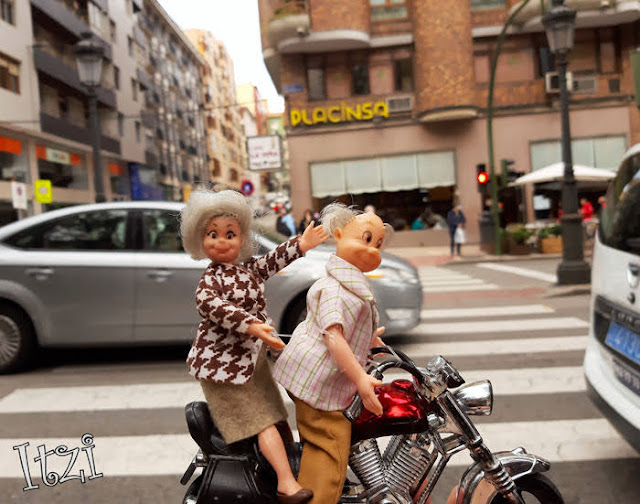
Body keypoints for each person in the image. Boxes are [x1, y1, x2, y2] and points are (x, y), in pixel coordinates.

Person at [180, 189, 329, 504]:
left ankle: (292, 465)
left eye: (230, 234)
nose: (222, 241)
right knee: (261, 421)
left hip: (252, 359)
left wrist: (301, 244)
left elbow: (270, 262)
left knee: (276, 416)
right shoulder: (210, 282)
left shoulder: (246, 270)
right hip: (223, 366)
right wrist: (251, 324)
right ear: (199, 238)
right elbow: (213, 306)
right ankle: (286, 485)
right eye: (212, 234)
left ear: (242, 237)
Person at [273, 203, 390, 504]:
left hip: (315, 376)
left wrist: (368, 341)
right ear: (338, 235)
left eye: (378, 244)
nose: (374, 250)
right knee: (330, 446)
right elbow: (334, 337)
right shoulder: (336, 288)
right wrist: (362, 380)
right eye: (366, 239)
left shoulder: (346, 284)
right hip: (318, 382)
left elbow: (345, 331)